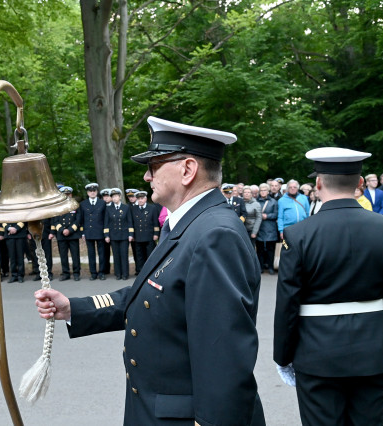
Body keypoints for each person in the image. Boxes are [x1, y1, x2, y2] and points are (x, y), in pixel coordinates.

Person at [35, 116, 265, 425]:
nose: (146, 176)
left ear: (187, 169)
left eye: (154, 166)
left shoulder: (214, 234)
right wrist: (75, 308)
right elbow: (152, 295)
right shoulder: (188, 224)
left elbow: (223, 357)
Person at [274, 147, 383, 426]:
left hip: (316, 354)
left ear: (318, 183)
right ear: (361, 184)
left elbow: (288, 302)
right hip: (373, 352)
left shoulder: (299, 234)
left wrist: (283, 356)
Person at [50, 186, 82, 281]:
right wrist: (62, 230)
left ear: (71, 195)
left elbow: (78, 220)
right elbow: (55, 220)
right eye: (65, 194)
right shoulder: (57, 206)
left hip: (73, 234)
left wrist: (70, 230)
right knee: (63, 255)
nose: (67, 196)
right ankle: (65, 273)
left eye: (68, 194)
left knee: (75, 255)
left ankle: (76, 273)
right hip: (61, 235)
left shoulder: (75, 205)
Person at [104, 187, 134, 280]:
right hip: (113, 236)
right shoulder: (109, 209)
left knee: (124, 255)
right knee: (116, 256)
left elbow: (130, 221)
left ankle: (125, 274)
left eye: (116, 196)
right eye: (113, 197)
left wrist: (131, 234)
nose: (114, 198)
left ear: (120, 197)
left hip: (124, 235)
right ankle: (118, 274)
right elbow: (106, 223)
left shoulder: (126, 207)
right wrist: (106, 235)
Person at [79, 182, 106, 280]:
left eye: (94, 191)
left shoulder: (102, 203)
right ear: (87, 193)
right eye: (90, 191)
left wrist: (105, 231)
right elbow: (81, 220)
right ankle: (93, 273)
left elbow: (105, 219)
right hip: (88, 232)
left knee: (101, 253)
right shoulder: (83, 204)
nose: (92, 193)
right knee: (91, 254)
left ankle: (102, 272)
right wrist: (82, 232)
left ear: (97, 192)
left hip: (100, 231)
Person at [131, 190, 159, 275]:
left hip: (149, 236)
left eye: (142, 198)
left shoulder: (152, 208)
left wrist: (156, 234)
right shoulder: (133, 209)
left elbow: (155, 222)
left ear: (146, 199)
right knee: (139, 256)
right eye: (138, 198)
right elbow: (132, 223)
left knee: (150, 255)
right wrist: (132, 235)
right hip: (138, 236)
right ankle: (140, 272)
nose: (140, 200)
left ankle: (150, 271)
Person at [256, 183, 278, 274]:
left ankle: (271, 267)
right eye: (261, 190)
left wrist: (267, 216)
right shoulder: (256, 201)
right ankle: (260, 267)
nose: (263, 192)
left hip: (270, 228)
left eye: (265, 190)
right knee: (260, 249)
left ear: (268, 191)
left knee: (270, 249)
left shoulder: (273, 202)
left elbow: (276, 214)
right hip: (259, 228)